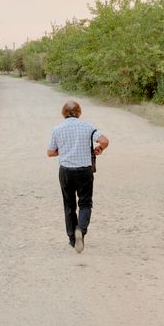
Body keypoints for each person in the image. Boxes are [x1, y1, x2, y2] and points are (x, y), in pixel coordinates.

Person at [47, 100, 109, 253]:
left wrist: (64, 150)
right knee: (85, 203)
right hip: (84, 171)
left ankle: (72, 239)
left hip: (66, 171)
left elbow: (50, 152)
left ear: (63, 113)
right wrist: (99, 148)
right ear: (79, 112)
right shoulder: (87, 127)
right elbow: (104, 141)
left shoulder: (57, 129)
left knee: (69, 205)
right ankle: (80, 229)